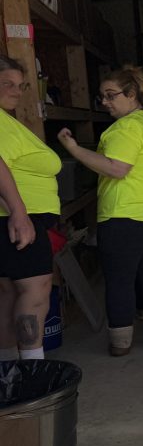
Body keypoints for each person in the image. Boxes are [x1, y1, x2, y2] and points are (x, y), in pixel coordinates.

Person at [58, 65, 143, 356]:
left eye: (111, 95)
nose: (105, 102)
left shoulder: (126, 127)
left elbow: (117, 168)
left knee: (120, 280)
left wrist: (74, 149)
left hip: (125, 215)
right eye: (102, 97)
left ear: (132, 93)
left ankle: (120, 342)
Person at [0, 54, 54, 360]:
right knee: (34, 292)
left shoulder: (6, 120)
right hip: (17, 220)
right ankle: (32, 367)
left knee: (8, 294)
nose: (16, 91)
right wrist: (18, 213)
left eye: (20, 85)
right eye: (7, 83)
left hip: (12, 218)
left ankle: (8, 371)